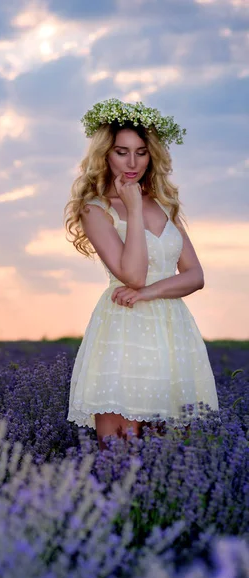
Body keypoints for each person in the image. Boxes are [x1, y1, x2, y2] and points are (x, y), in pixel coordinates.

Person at [64, 98, 220, 451]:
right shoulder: (95, 209)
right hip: (124, 328)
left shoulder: (164, 203)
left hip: (172, 329)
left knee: (171, 449)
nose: (132, 163)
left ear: (152, 156)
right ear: (105, 154)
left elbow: (195, 275)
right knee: (121, 450)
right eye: (121, 152)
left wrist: (149, 293)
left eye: (141, 152)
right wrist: (133, 208)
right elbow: (132, 274)